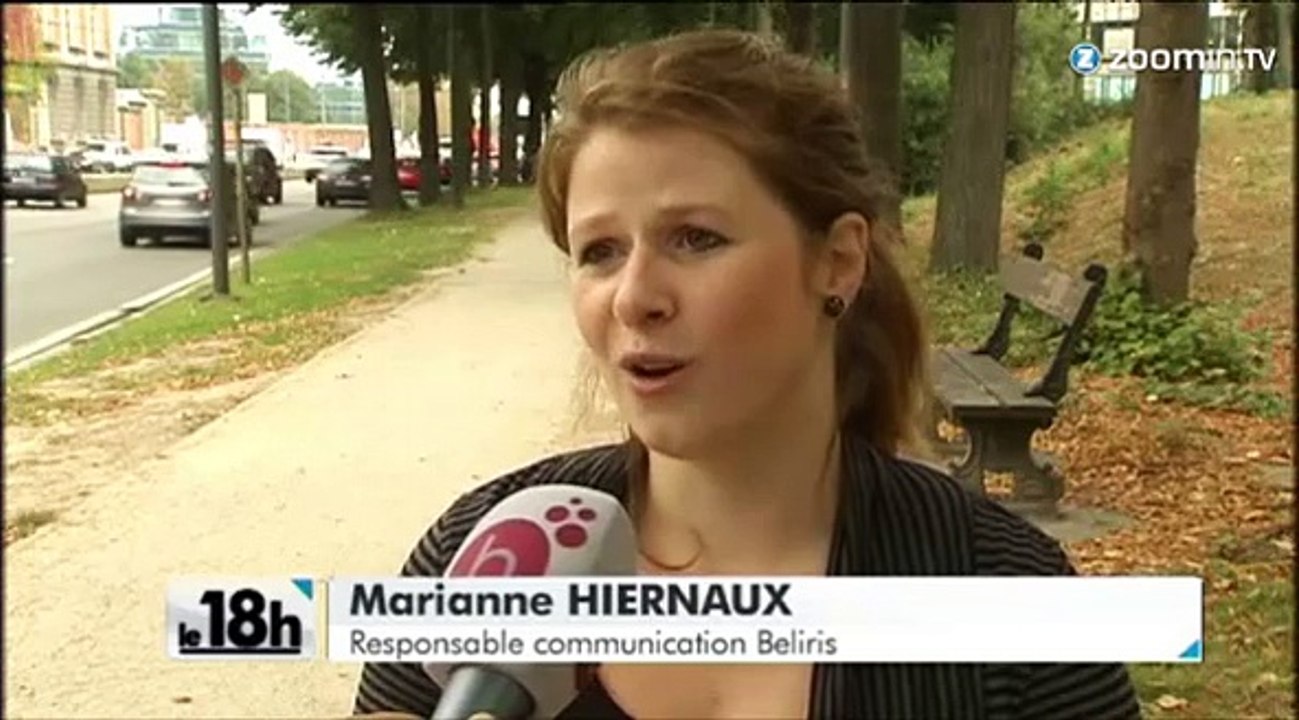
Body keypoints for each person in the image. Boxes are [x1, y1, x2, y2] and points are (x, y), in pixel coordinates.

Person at [353, 29, 1141, 720]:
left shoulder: (1006, 597)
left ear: (837, 260)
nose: (634, 298)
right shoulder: (485, 551)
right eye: (599, 251)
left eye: (694, 238)